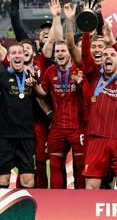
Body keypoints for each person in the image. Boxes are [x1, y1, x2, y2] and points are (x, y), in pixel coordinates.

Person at [80, 22, 117, 190]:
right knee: (91, 186)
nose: (108, 57)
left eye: (112, 55)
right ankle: (89, 216)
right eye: (105, 55)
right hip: (96, 138)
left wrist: (113, 43)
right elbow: (84, 55)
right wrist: (86, 32)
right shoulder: (94, 75)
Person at [31, 41, 86, 189]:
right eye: (57, 51)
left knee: (81, 166)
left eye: (63, 51)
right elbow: (42, 93)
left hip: (77, 126)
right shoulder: (50, 71)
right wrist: (33, 84)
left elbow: (89, 95)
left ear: (70, 53)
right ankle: (58, 200)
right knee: (55, 165)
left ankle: (82, 200)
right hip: (57, 126)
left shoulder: (79, 70)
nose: (60, 54)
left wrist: (80, 83)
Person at [0, 43, 36, 189]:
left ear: (25, 56)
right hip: (5, 136)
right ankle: (3, 211)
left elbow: (42, 97)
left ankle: (25, 212)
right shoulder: (0, 76)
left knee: (28, 180)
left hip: (27, 136)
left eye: (20, 52)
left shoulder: (32, 76)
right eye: (13, 53)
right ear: (9, 57)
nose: (17, 55)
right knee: (4, 178)